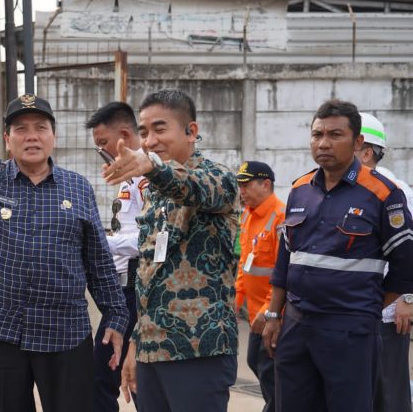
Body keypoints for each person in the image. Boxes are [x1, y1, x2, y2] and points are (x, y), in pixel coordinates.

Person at [0, 80, 129, 412]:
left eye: (40, 128)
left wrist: (116, 315)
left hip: (64, 333)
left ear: (53, 137)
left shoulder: (77, 187)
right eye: (20, 129)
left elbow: (98, 261)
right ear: (8, 140)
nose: (31, 136)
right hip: (1, 332)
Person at [261, 100, 413, 412]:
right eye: (317, 135)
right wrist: (275, 316)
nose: (323, 143)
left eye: (335, 135)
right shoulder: (300, 190)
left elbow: (405, 264)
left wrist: (364, 309)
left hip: (351, 332)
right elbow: (285, 259)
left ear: (358, 142)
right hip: (297, 327)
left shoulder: (384, 193)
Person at [103, 88, 240, 411]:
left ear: (192, 131)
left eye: (160, 129)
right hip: (153, 349)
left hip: (199, 350)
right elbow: (149, 275)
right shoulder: (153, 195)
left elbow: (191, 187)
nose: (150, 141)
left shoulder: (218, 178)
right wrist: (138, 342)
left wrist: (152, 168)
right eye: (144, 132)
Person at [85, 101, 146, 411]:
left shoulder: (149, 175)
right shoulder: (131, 177)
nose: (102, 152)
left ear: (124, 135)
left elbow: (149, 238)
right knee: (107, 376)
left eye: (102, 144)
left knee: (121, 378)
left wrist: (101, 242)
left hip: (134, 291)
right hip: (121, 291)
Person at [354, 112, 413, 412]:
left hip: (389, 313)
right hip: (353, 311)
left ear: (366, 150)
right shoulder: (341, 188)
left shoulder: (395, 190)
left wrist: (407, 298)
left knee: (389, 392)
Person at [234, 161, 284, 412]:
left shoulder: (281, 217)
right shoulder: (247, 216)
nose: (241, 191)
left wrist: (268, 310)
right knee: (256, 362)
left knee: (271, 372)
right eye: (240, 185)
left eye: (246, 185)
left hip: (273, 316)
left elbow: (282, 271)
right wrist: (236, 300)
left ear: (266, 184)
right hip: (254, 315)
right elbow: (245, 263)